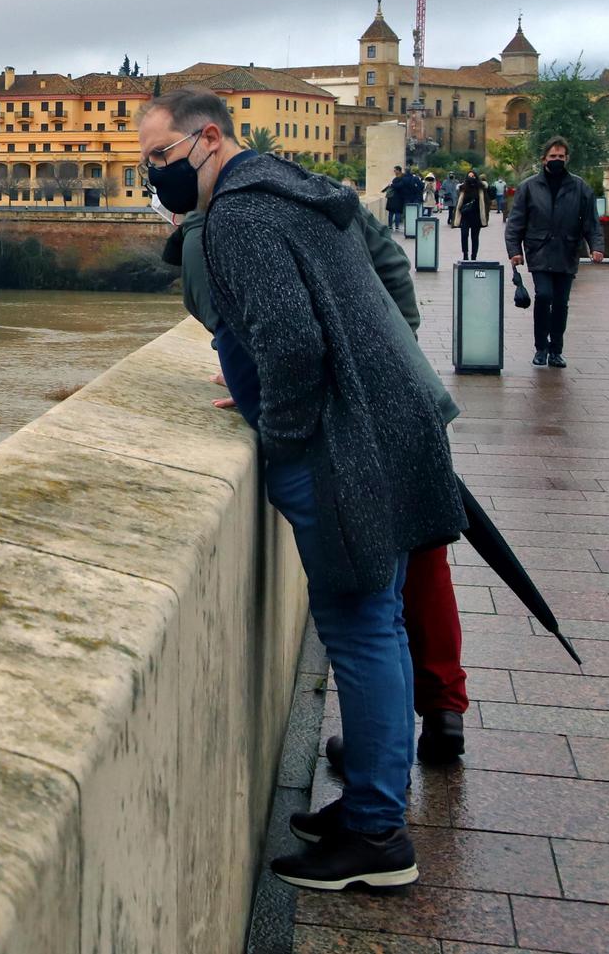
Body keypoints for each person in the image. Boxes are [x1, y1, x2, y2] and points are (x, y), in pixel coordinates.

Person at [141, 87, 465, 892]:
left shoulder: (241, 219)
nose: (153, 177)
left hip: (340, 445)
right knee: (379, 620)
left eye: (159, 159)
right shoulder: (292, 187)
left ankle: (375, 835)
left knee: (359, 626)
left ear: (207, 139)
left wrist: (281, 438)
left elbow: (288, 342)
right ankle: (369, 801)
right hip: (390, 418)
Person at [165, 193, 471, 775]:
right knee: (424, 559)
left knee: (370, 612)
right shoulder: (315, 193)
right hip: (406, 396)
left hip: (355, 417)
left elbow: (242, 330)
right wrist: (390, 354)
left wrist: (261, 387)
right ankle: (443, 709)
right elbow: (391, 267)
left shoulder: (214, 233)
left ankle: (380, 772)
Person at [505, 137, 605, 367]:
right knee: (544, 296)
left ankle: (556, 350)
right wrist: (515, 251)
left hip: (568, 251)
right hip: (539, 251)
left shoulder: (580, 187)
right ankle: (540, 347)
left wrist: (596, 246)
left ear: (567, 158)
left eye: (561, 157)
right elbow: (516, 222)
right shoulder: (529, 187)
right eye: (553, 156)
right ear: (544, 159)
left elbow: (591, 222)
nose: (557, 160)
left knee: (561, 302)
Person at [456, 171, 488, 261]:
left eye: (473, 176)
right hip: (465, 216)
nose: (471, 178)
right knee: (464, 235)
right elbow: (459, 202)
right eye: (469, 176)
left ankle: (474, 256)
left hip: (476, 216)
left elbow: (486, 201)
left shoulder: (480, 188)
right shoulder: (463, 188)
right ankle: (465, 254)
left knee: (475, 237)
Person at [384, 165, 414, 230]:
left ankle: (391, 226)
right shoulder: (403, 177)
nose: (394, 172)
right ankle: (396, 226)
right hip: (399, 197)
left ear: (398, 170)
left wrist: (391, 185)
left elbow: (399, 186)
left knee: (392, 212)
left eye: (395, 170)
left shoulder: (400, 178)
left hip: (395, 197)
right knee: (396, 212)